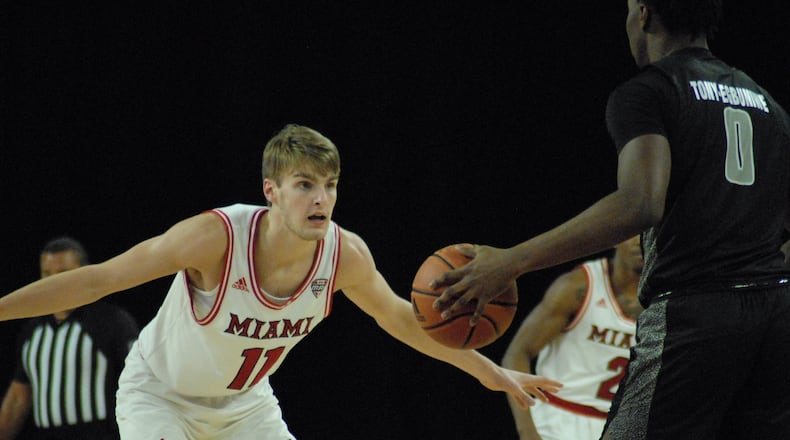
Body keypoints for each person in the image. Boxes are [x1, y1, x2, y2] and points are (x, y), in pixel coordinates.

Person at [0, 124, 562, 440]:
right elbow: (98, 280)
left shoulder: (346, 255)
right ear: (271, 190)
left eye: (331, 185)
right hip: (160, 397)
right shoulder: (213, 238)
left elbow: (400, 318)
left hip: (247, 407)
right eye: (304, 185)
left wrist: (488, 370)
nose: (321, 200)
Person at [432, 1, 790, 438]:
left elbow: (639, 204)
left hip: (695, 311)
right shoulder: (768, 104)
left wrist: (511, 261)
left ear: (643, 13)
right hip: (775, 318)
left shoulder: (651, 90)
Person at [502, 236, 643, 440]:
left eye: (648, 234)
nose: (639, 241)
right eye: (634, 232)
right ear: (615, 237)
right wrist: (528, 432)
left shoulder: (666, 302)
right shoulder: (578, 287)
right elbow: (517, 354)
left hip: (619, 428)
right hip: (555, 420)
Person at [0, 237, 138, 440]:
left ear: (84, 273)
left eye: (62, 274)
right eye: (46, 274)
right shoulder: (32, 331)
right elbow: (19, 397)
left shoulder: (112, 322)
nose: (53, 283)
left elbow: (140, 384)